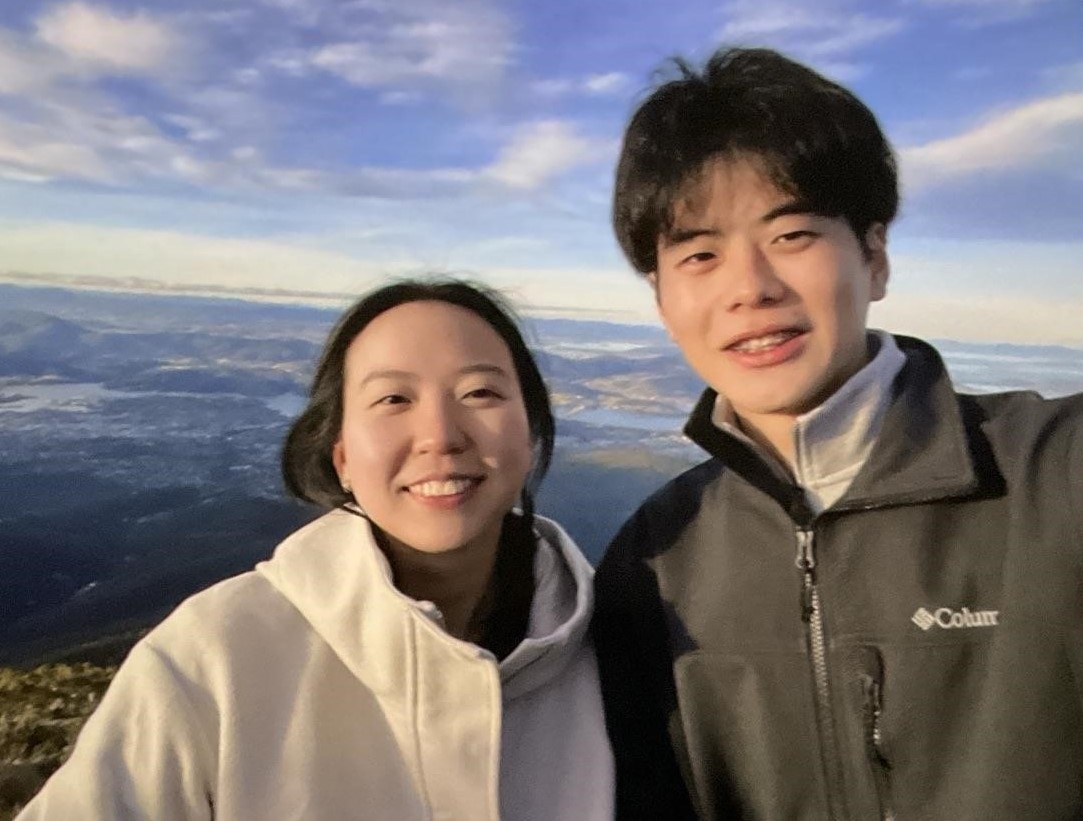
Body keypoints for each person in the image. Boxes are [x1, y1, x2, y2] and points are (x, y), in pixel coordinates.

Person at [592, 46, 1083, 820]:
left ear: (874, 257)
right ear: (661, 298)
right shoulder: (652, 559)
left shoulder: (1050, 475)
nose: (749, 287)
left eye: (791, 235)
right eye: (700, 253)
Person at [19, 278, 614, 820]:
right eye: (393, 400)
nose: (439, 435)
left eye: (480, 392)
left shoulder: (621, 656)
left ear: (531, 435)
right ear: (343, 458)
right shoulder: (211, 660)